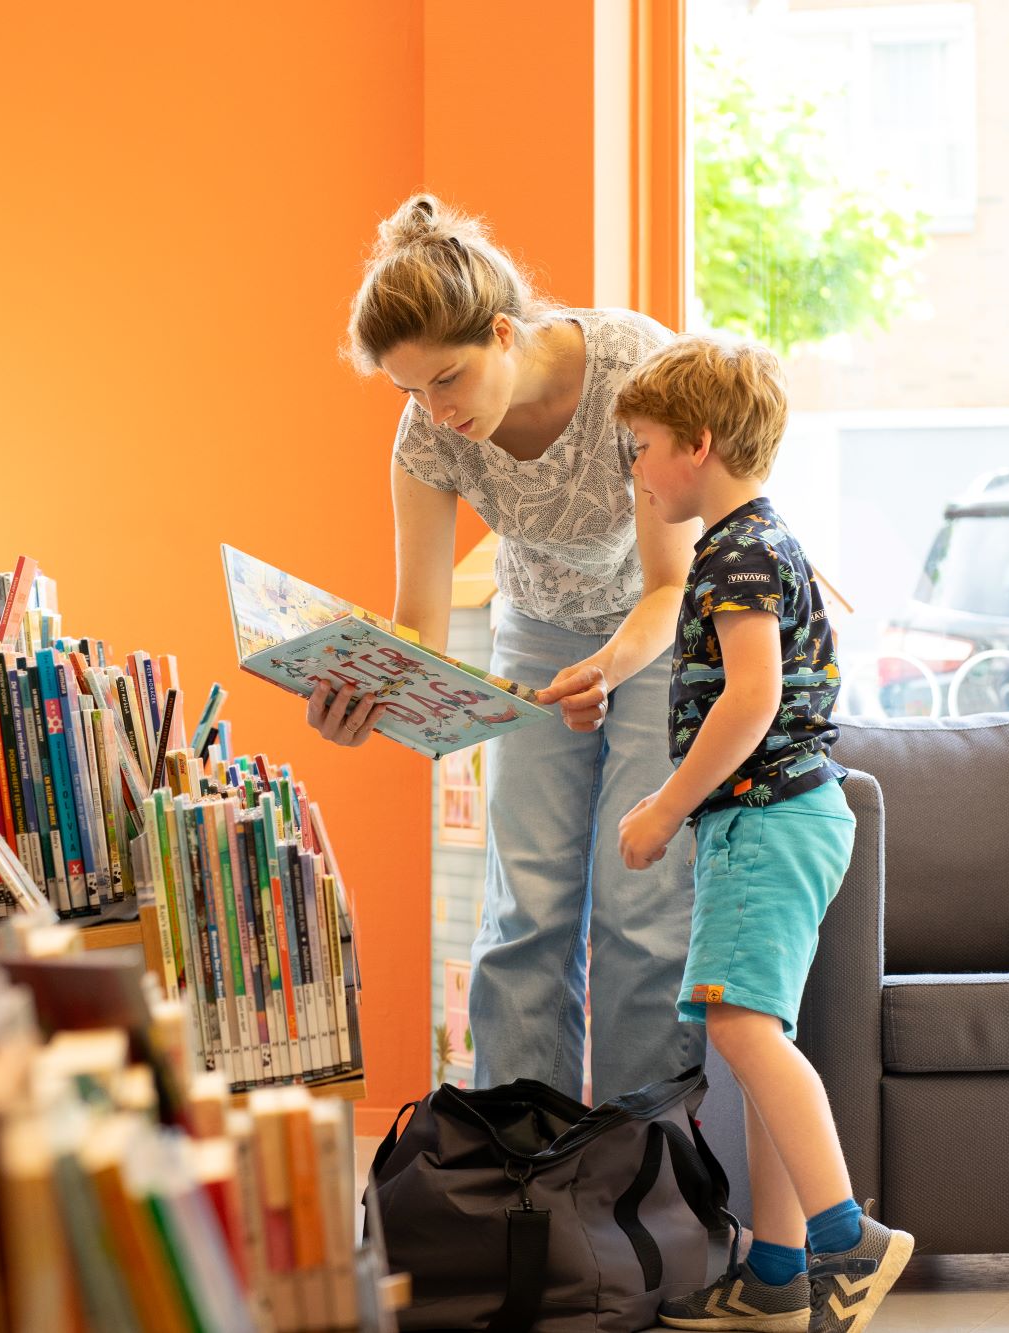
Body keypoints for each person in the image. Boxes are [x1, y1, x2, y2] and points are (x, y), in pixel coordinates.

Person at [316, 193, 703, 1104]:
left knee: (640, 907)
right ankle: (523, 1170)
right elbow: (415, 626)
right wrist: (365, 699)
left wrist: (604, 670)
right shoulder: (427, 438)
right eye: (409, 391)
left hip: (654, 631)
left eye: (446, 379)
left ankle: (642, 1170)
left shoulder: (632, 370)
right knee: (526, 907)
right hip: (535, 628)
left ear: (502, 332)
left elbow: (670, 584)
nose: (433, 411)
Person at [609, 335, 913, 1333]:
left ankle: (846, 1242)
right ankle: (777, 1273)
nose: (633, 469)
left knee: (738, 1027)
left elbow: (748, 701)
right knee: (756, 1034)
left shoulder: (736, 550)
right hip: (796, 815)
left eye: (640, 445)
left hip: (763, 817)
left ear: (696, 444)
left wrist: (663, 807)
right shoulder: (763, 541)